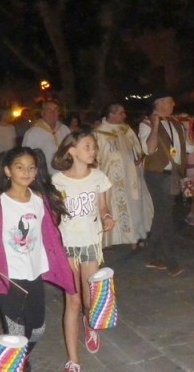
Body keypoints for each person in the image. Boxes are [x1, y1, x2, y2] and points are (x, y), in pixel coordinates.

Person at [0, 147, 76, 370]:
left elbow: (50, 233)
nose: (26, 172)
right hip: (8, 276)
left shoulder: (40, 200)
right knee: (16, 331)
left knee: (38, 329)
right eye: (20, 167)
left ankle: (12, 358)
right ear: (8, 171)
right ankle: (16, 365)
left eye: (31, 167)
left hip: (34, 272)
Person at [51, 132, 115, 372]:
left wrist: (107, 217)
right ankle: (73, 360)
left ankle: (89, 324)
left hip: (90, 244)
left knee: (90, 300)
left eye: (94, 147)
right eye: (88, 146)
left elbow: (103, 206)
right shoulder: (58, 181)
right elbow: (52, 215)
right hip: (67, 247)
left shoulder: (98, 177)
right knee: (73, 301)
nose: (93, 151)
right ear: (72, 151)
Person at [138, 91, 192, 277]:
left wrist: (188, 130)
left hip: (173, 173)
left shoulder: (176, 124)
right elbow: (150, 149)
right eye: (170, 101)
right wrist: (154, 127)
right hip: (157, 174)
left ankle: (152, 254)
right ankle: (171, 260)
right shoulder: (145, 124)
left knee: (163, 214)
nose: (173, 104)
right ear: (158, 104)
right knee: (165, 213)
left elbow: (189, 148)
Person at [93, 104, 154, 248]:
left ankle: (135, 237)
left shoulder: (126, 129)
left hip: (130, 176)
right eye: (121, 113)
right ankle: (112, 238)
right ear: (111, 114)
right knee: (113, 206)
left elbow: (136, 147)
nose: (124, 116)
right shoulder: (99, 133)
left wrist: (139, 157)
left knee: (133, 205)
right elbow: (96, 157)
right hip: (111, 179)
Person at [23, 100, 71, 175]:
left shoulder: (65, 130)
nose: (53, 113)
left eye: (55, 110)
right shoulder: (33, 133)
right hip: (45, 177)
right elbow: (26, 156)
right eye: (49, 110)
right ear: (42, 113)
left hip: (66, 174)